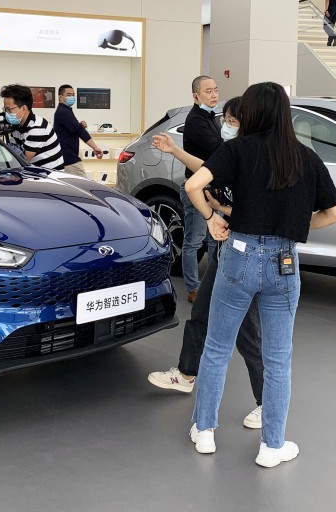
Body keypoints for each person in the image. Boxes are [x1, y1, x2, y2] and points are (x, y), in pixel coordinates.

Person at [185, 81, 336, 468]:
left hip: (237, 256)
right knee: (278, 358)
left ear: (252, 113)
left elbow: (193, 184)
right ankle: (273, 446)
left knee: (218, 347)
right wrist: (295, 225)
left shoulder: (237, 149)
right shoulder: (306, 157)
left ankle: (204, 431)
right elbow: (335, 214)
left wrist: (211, 220)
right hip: (284, 263)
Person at [147, 98, 266, 430]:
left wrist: (218, 212)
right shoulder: (233, 153)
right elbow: (204, 166)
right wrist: (174, 151)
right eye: (225, 118)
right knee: (200, 314)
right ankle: (186, 374)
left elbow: (254, 211)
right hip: (225, 251)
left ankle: (266, 402)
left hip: (247, 254)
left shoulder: (256, 157)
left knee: (247, 333)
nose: (226, 125)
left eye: (232, 120)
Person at [180, 75, 221, 303]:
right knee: (194, 241)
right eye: (208, 91)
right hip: (198, 190)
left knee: (216, 238)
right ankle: (193, 288)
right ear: (196, 96)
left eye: (215, 89)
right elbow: (217, 150)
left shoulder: (212, 117)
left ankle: (213, 284)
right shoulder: (196, 120)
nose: (214, 94)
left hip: (214, 190)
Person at [0, 84, 64, 170]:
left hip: (49, 177)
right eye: (5, 109)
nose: (6, 113)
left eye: (9, 109)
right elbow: (12, 151)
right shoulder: (18, 127)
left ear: (23, 108)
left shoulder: (38, 127)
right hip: (36, 174)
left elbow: (22, 160)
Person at [53, 84, 103, 178]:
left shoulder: (66, 110)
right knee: (84, 188)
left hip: (68, 158)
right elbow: (79, 131)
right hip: (70, 160)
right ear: (60, 97)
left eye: (73, 94)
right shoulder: (63, 112)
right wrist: (95, 147)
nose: (72, 97)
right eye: (68, 95)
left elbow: (74, 128)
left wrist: (80, 125)